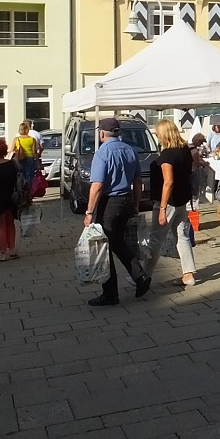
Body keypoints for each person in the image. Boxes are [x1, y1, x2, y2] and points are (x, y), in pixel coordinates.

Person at [84, 118, 151, 306]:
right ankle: (140, 275)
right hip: (125, 200)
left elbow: (97, 185)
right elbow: (138, 181)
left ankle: (110, 293)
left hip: (108, 204)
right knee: (118, 242)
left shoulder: (102, 152)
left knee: (104, 247)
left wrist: (89, 212)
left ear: (102, 133)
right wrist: (136, 204)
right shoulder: (130, 150)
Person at [146, 119, 198, 287]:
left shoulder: (167, 155)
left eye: (158, 133)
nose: (157, 136)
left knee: (156, 239)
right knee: (182, 237)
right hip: (182, 199)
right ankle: (188, 274)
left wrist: (162, 208)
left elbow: (168, 182)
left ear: (164, 133)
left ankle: (143, 275)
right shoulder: (184, 150)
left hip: (168, 202)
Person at [11, 122, 41, 186]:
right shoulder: (32, 139)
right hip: (30, 159)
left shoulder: (16, 139)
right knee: (29, 176)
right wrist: (38, 163)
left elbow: (11, 150)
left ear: (20, 130)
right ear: (28, 130)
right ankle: (29, 192)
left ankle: (21, 190)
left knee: (20, 175)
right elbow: (34, 152)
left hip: (19, 159)